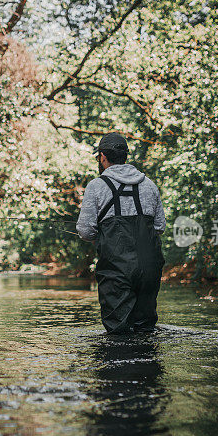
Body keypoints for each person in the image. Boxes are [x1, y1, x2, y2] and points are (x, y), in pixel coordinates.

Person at [76, 132, 166, 333]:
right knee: (145, 330)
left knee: (118, 333)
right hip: (150, 267)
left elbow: (85, 231)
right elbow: (159, 227)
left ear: (103, 157)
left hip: (116, 269)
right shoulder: (149, 185)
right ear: (125, 156)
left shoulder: (96, 186)